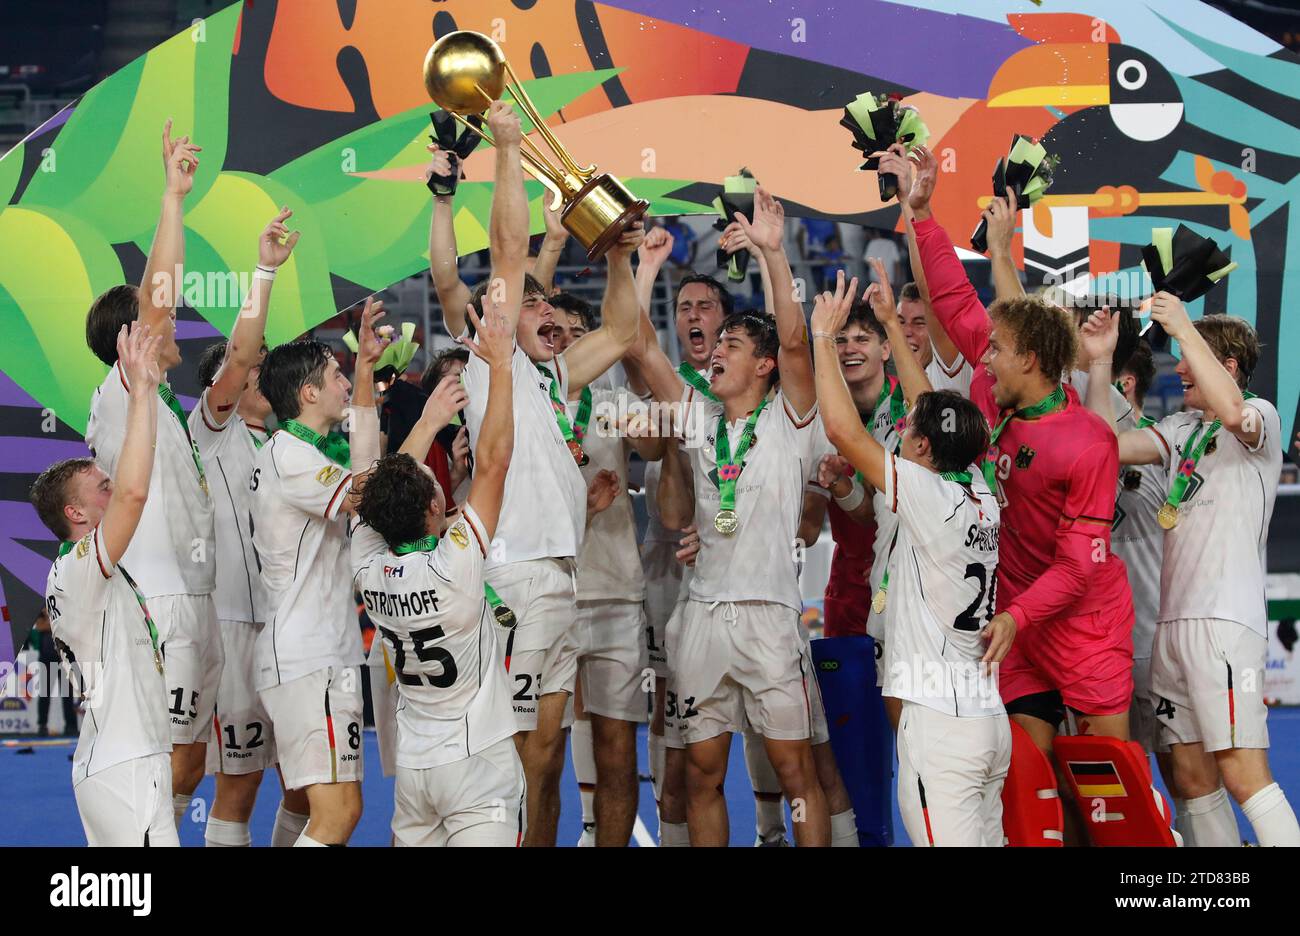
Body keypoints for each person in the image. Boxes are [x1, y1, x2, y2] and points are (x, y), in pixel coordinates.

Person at [898, 145, 1135, 840]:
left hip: (1084, 625)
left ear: (1030, 361)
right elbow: (951, 295)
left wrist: (1019, 616)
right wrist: (922, 215)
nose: (982, 353)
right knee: (1028, 788)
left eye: (997, 349)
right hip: (1019, 631)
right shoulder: (988, 386)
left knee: (1106, 793)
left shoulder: (1089, 440)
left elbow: (1080, 565)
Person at [428, 100, 645, 846]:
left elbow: (621, 330)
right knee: (518, 757)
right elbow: (508, 246)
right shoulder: (497, 362)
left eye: (551, 305)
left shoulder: (556, 380)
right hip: (514, 578)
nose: (545, 310)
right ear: (503, 316)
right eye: (533, 305)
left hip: (562, 578)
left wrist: (620, 252)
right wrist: (511, 146)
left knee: (547, 759)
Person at [626, 187, 830, 846]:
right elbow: (637, 346)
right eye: (719, 346)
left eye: (733, 344)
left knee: (798, 775)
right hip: (702, 617)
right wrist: (649, 267)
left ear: (764, 366)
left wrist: (772, 252)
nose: (716, 351)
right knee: (703, 775)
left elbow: (797, 342)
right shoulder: (696, 415)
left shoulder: (791, 418)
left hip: (771, 617)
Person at [1081, 299, 1300, 847]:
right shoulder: (1179, 429)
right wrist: (1102, 363)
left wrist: (1181, 323)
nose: (1179, 368)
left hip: (1224, 621)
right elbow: (1102, 444)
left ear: (1226, 364)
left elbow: (1232, 413)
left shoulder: (1261, 417)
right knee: (1192, 778)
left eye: (1189, 356)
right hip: (1172, 631)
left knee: (1243, 774)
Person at [811, 273, 1012, 846]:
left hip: (938, 725)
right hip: (984, 717)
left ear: (921, 448)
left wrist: (823, 339)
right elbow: (931, 407)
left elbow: (842, 429)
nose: (900, 436)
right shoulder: (978, 490)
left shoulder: (924, 496)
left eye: (906, 435)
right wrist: (896, 328)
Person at [83, 121, 219, 830]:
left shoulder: (160, 401)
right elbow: (160, 296)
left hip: (193, 596)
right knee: (168, 759)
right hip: (160, 601)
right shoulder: (120, 392)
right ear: (129, 342)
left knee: (189, 763)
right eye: (152, 327)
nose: (172, 330)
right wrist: (174, 197)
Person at [352, 286, 525, 846]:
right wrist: (501, 367)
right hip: (478, 766)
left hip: (416, 771)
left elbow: (370, 481)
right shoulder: (457, 563)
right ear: (435, 507)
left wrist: (424, 420)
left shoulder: (369, 568)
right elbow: (495, 461)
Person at [251, 296, 390, 846]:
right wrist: (425, 423)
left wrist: (363, 374)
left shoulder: (294, 452)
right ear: (308, 393)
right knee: (340, 814)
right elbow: (370, 491)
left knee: (314, 809)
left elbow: (360, 476)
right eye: (336, 374)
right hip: (311, 658)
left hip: (311, 654)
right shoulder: (292, 456)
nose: (341, 383)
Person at [32, 323, 175, 846]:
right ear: (75, 512)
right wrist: (140, 390)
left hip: (128, 760)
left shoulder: (92, 567)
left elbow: (141, 480)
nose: (113, 487)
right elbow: (136, 494)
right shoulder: (77, 567)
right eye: (101, 486)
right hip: (124, 765)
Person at [189, 210, 304, 847]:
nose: (262, 372)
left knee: (305, 783)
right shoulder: (212, 430)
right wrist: (265, 271)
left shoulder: (283, 444)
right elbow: (238, 354)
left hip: (286, 627)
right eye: (255, 366)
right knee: (238, 786)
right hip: (231, 622)